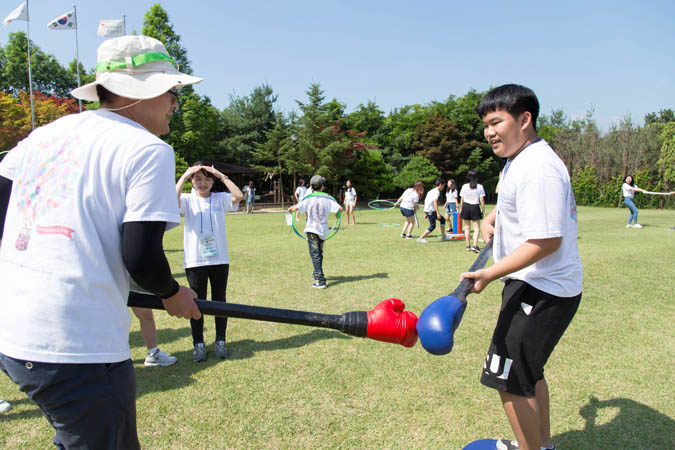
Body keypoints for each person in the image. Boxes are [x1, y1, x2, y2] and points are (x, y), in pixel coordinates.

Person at [0, 35, 202, 449]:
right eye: (170, 92)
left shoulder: (44, 135)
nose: (174, 105)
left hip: (14, 335)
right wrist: (171, 293)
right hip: (77, 344)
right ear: (139, 93)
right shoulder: (149, 149)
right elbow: (141, 256)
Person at [462, 84, 583, 450]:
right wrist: (492, 218)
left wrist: (490, 272)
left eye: (496, 122)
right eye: (485, 124)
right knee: (528, 374)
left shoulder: (538, 168)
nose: (489, 132)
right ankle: (541, 446)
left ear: (525, 119)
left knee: (507, 377)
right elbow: (519, 204)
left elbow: (546, 241)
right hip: (536, 285)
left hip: (542, 288)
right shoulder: (522, 160)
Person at [176, 163, 243, 362]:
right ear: (192, 182)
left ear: (212, 181)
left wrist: (220, 174)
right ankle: (198, 344)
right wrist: (185, 174)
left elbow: (238, 196)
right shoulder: (187, 200)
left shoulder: (220, 199)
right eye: (198, 179)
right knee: (196, 302)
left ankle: (220, 341)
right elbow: (171, 199)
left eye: (207, 179)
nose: (203, 183)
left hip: (219, 258)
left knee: (219, 300)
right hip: (195, 260)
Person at [287, 175, 343, 289]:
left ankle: (320, 280)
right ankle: (317, 272)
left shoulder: (308, 197)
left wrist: (291, 209)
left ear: (311, 186)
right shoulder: (327, 198)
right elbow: (340, 209)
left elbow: (297, 207)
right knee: (318, 253)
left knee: (315, 254)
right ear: (322, 186)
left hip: (312, 229)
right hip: (323, 230)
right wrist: (337, 214)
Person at [460, 171, 486, 252]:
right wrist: (483, 210)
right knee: (476, 228)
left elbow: (462, 199)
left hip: (466, 206)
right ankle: (475, 245)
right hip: (475, 206)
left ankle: (467, 245)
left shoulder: (464, 186)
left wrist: (462, 209)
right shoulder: (480, 187)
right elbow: (482, 200)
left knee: (467, 227)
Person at [417, 178, 449, 243]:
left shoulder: (431, 191)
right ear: (440, 185)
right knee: (432, 226)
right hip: (431, 210)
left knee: (442, 220)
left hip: (429, 210)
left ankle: (443, 236)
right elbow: (435, 202)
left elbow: (426, 200)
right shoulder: (436, 192)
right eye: (443, 186)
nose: (443, 187)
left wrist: (425, 212)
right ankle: (420, 238)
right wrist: (437, 213)